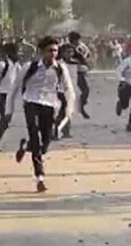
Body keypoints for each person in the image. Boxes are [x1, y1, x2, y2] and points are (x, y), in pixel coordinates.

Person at [5, 36, 75, 193]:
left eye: (55, 51)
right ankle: (40, 177)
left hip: (50, 106)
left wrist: (69, 112)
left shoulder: (60, 69)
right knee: (35, 139)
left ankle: (25, 145)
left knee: (45, 143)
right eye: (50, 51)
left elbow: (69, 90)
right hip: (31, 103)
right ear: (42, 52)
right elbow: (14, 89)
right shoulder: (30, 67)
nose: (53, 54)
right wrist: (9, 111)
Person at [66, 32, 92, 119]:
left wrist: (86, 63)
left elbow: (86, 56)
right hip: (70, 72)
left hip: (78, 72)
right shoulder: (67, 48)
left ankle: (81, 106)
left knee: (85, 90)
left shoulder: (81, 47)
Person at [0, 42, 20, 143]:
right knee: (6, 119)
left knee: (6, 119)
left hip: (9, 95)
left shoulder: (15, 64)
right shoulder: (2, 64)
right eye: (16, 52)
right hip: (2, 95)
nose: (18, 54)